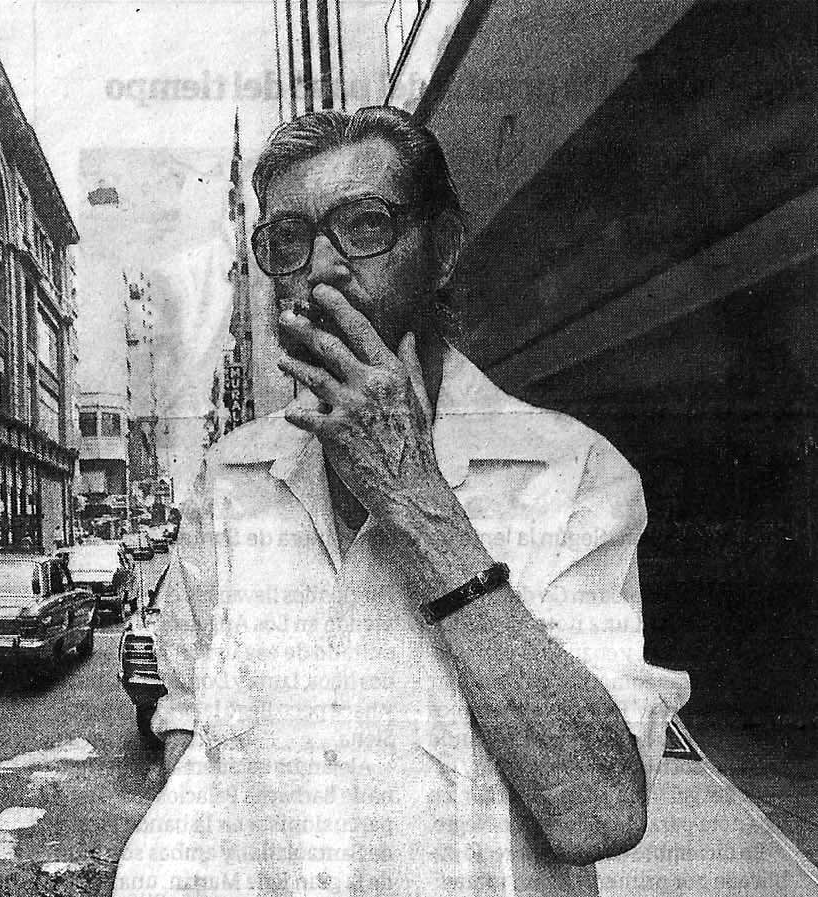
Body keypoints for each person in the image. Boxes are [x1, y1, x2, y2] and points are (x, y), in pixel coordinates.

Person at [114, 107, 690, 897]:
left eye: (364, 225)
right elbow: (194, 749)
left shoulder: (570, 474)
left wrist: (411, 492)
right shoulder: (231, 482)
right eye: (288, 239)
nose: (320, 268)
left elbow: (598, 813)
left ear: (442, 249)